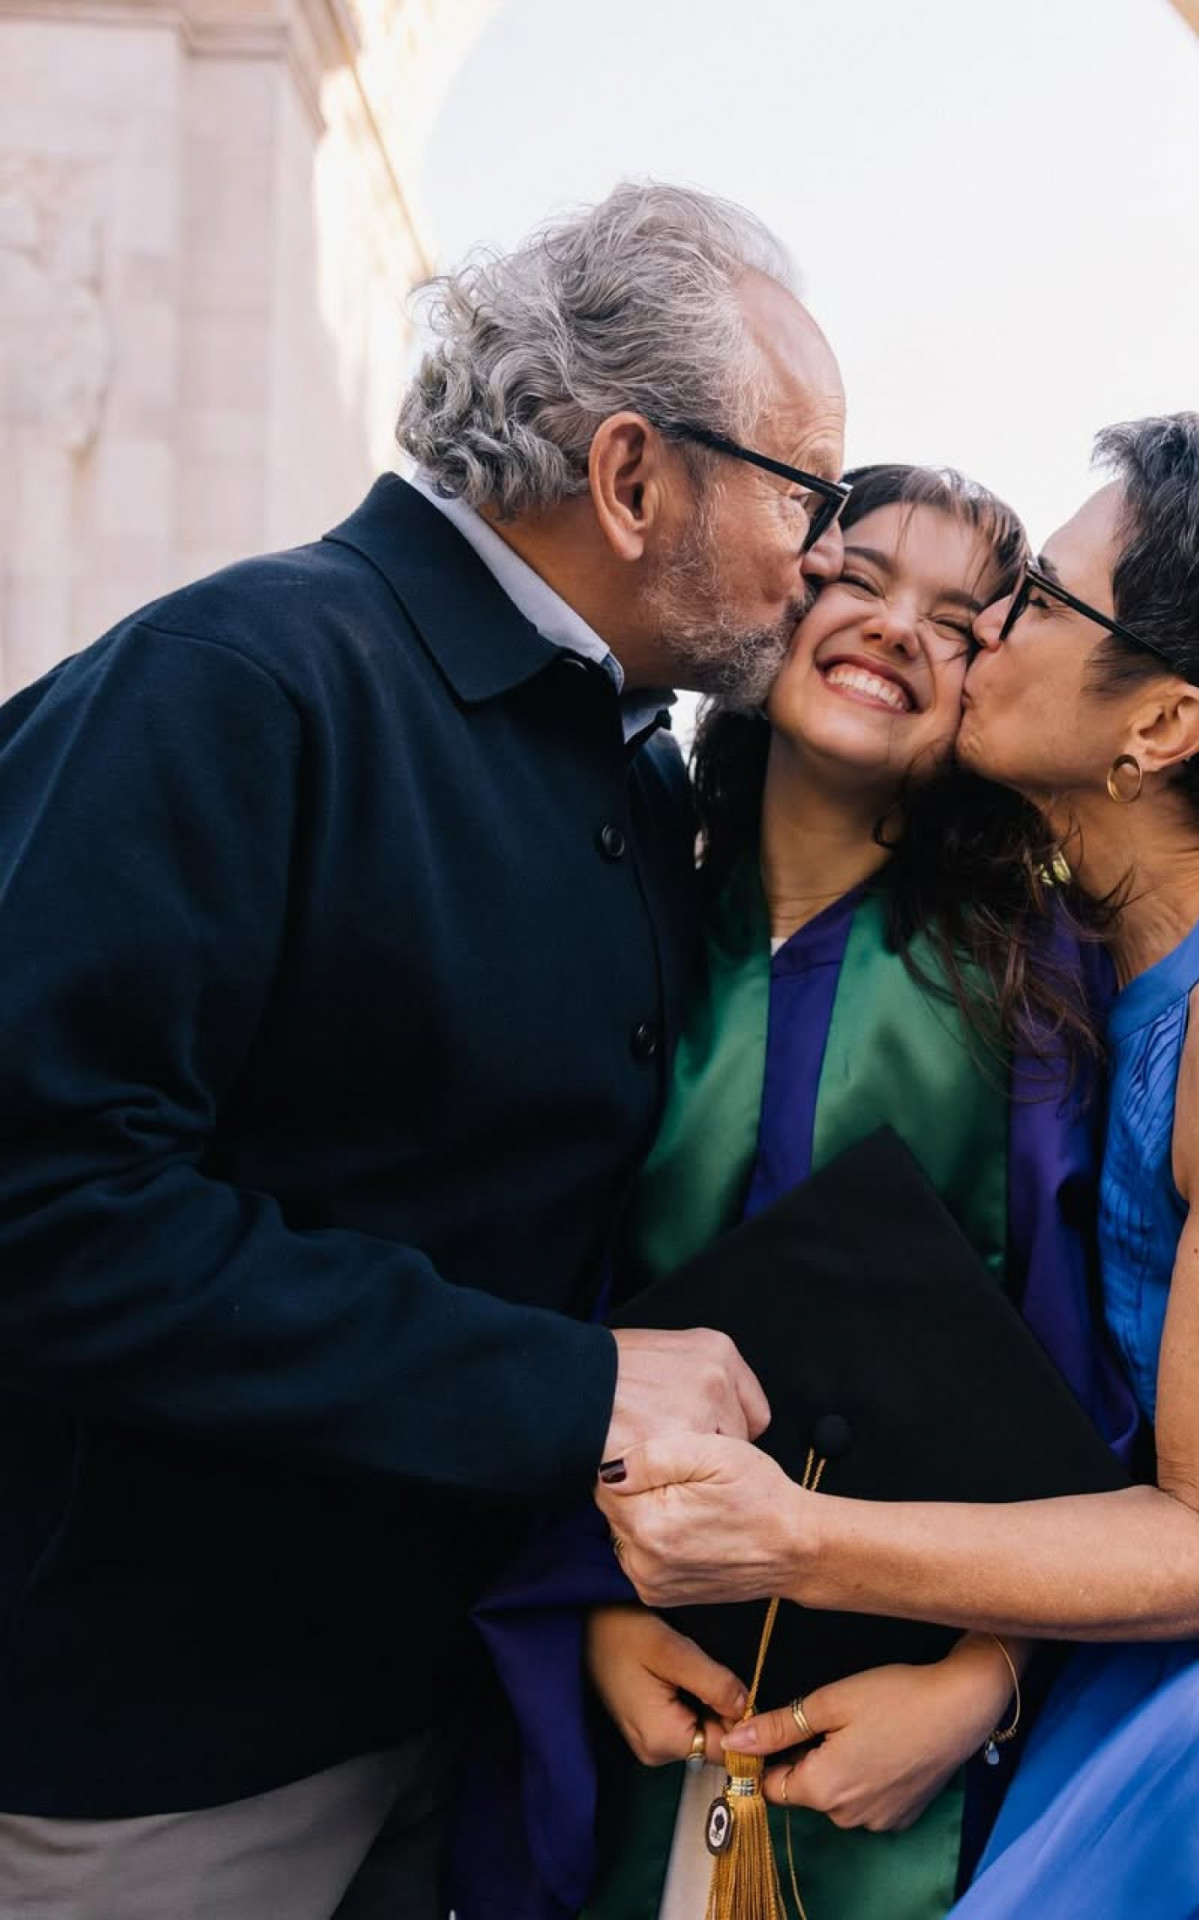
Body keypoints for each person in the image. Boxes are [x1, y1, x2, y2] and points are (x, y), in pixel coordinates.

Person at [0, 182, 847, 1919]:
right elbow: (46, 1208)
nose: (826, 551)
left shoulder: (628, 767)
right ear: (631, 475)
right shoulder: (236, 683)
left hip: (450, 1717)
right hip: (160, 1764)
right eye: (807, 490)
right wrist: (576, 1393)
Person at [467, 466, 1136, 1920]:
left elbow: (1079, 1372)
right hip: (638, 1671)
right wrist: (580, 1602)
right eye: (860, 574)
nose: (898, 626)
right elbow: (526, 1298)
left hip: (917, 1708)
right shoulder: (621, 929)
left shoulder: (1030, 984)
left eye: (962, 620)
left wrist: (985, 1681)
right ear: (778, 591)